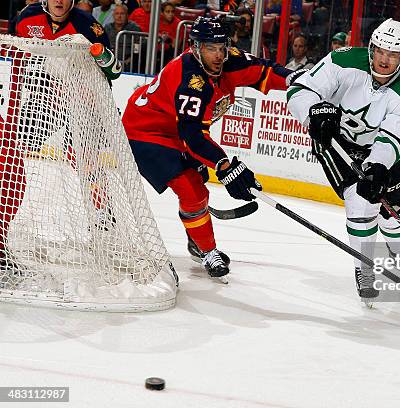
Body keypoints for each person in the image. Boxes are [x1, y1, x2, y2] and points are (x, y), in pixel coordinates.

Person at [122, 16, 291, 279]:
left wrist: (300, 81)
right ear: (195, 47)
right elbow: (193, 137)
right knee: (191, 189)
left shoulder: (228, 60)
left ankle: (196, 241)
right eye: (210, 48)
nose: (218, 54)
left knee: (198, 184)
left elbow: (265, 71)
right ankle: (207, 250)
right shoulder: (191, 81)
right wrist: (225, 166)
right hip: (146, 131)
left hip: (178, 131)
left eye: (221, 47)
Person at [286, 19, 400, 301]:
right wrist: (314, 112)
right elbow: (299, 90)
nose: (385, 60)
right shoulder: (344, 60)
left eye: (393, 54)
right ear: (371, 48)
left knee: (394, 207)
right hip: (335, 142)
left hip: (376, 148)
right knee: (360, 199)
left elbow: (392, 139)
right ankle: (363, 266)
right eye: (380, 51)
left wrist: (377, 167)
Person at [2, 0, 113, 274]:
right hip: (42, 96)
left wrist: (99, 65)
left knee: (82, 155)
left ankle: (101, 209)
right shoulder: (27, 18)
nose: (59, 1)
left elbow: (113, 70)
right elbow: (16, 56)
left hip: (80, 97)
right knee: (12, 152)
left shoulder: (89, 25)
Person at [104, 3, 142, 69]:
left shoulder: (134, 28)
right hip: (109, 62)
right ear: (113, 15)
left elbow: (138, 47)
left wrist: (130, 59)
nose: (119, 16)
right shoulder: (107, 28)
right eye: (117, 13)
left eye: (122, 14)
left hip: (128, 64)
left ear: (127, 15)